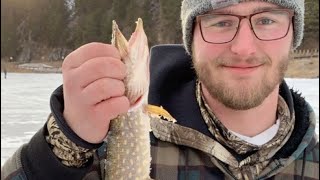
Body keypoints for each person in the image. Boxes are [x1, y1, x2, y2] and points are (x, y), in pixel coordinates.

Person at [1, 0, 319, 179]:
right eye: (220, 21)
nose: (243, 47)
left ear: (294, 33)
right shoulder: (100, 151)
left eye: (266, 20)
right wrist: (66, 144)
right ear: (190, 37)